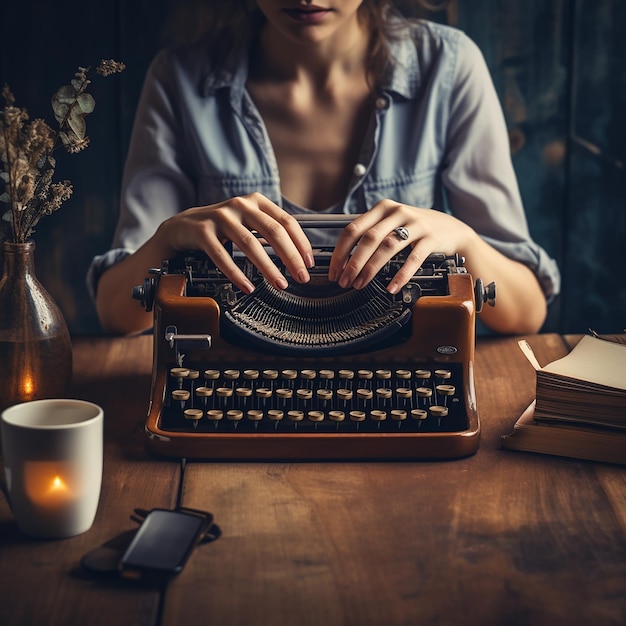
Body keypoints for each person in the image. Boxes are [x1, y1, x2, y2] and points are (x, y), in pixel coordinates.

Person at [89, 0, 560, 336]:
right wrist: (170, 236)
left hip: (397, 359)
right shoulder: (178, 79)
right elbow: (117, 312)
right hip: (236, 358)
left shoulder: (450, 67)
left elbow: (526, 312)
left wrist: (462, 237)